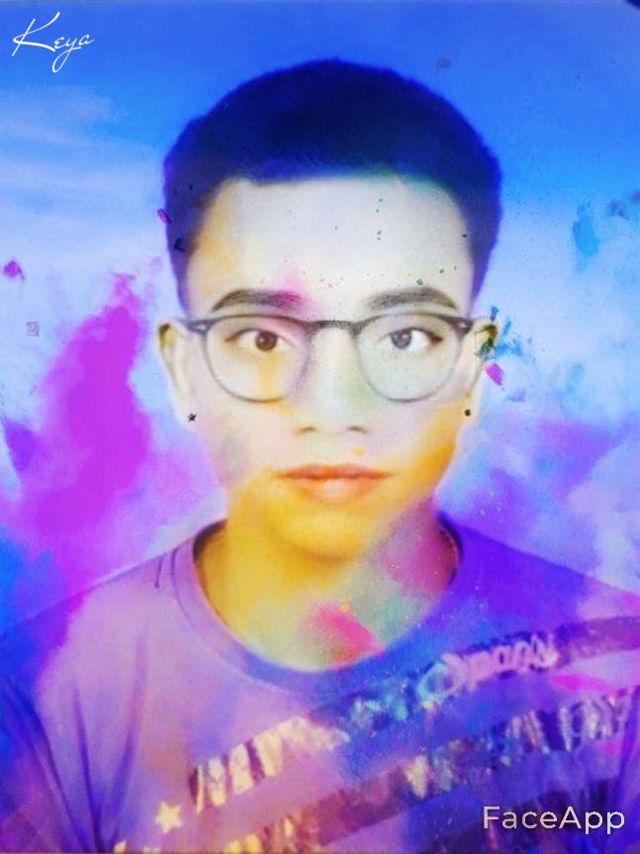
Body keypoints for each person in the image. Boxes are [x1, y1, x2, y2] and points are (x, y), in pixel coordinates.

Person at [1, 59, 639, 854]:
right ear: (183, 369)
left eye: (406, 336)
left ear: (472, 369)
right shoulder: (44, 699)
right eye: (263, 337)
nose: (334, 410)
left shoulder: (618, 671)